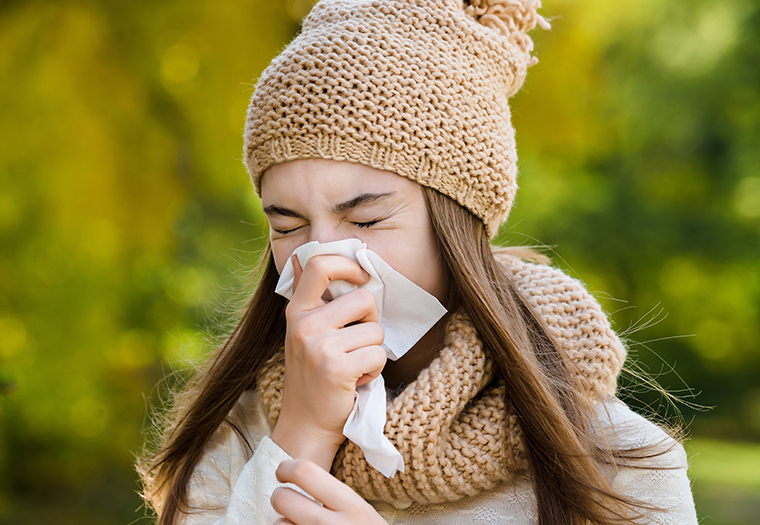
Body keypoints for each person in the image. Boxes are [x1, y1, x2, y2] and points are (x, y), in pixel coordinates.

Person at [138, 0, 699, 523]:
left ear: (459, 220)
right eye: (287, 226)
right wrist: (302, 431)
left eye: (365, 220)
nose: (324, 262)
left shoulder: (623, 465)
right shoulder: (233, 438)